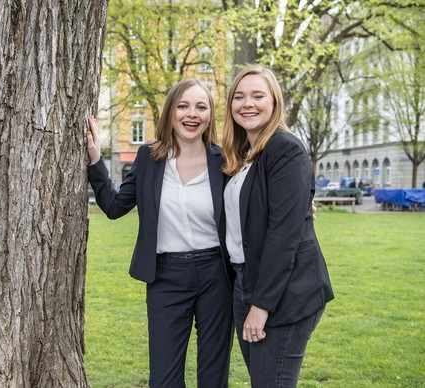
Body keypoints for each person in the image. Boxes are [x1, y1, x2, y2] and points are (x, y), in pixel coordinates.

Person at [86, 79, 234, 387]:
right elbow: (114, 206)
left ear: (210, 116)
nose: (191, 114)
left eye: (201, 107)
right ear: (170, 112)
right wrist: (97, 161)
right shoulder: (149, 158)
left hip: (217, 275)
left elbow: (254, 206)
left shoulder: (226, 160)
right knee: (164, 380)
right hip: (166, 276)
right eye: (183, 106)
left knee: (213, 377)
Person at [221, 65, 334, 388]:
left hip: (284, 294)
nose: (248, 104)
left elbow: (283, 235)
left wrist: (261, 306)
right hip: (245, 283)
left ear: (274, 102)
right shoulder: (241, 157)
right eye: (239, 97)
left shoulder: (285, 149)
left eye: (258, 96)